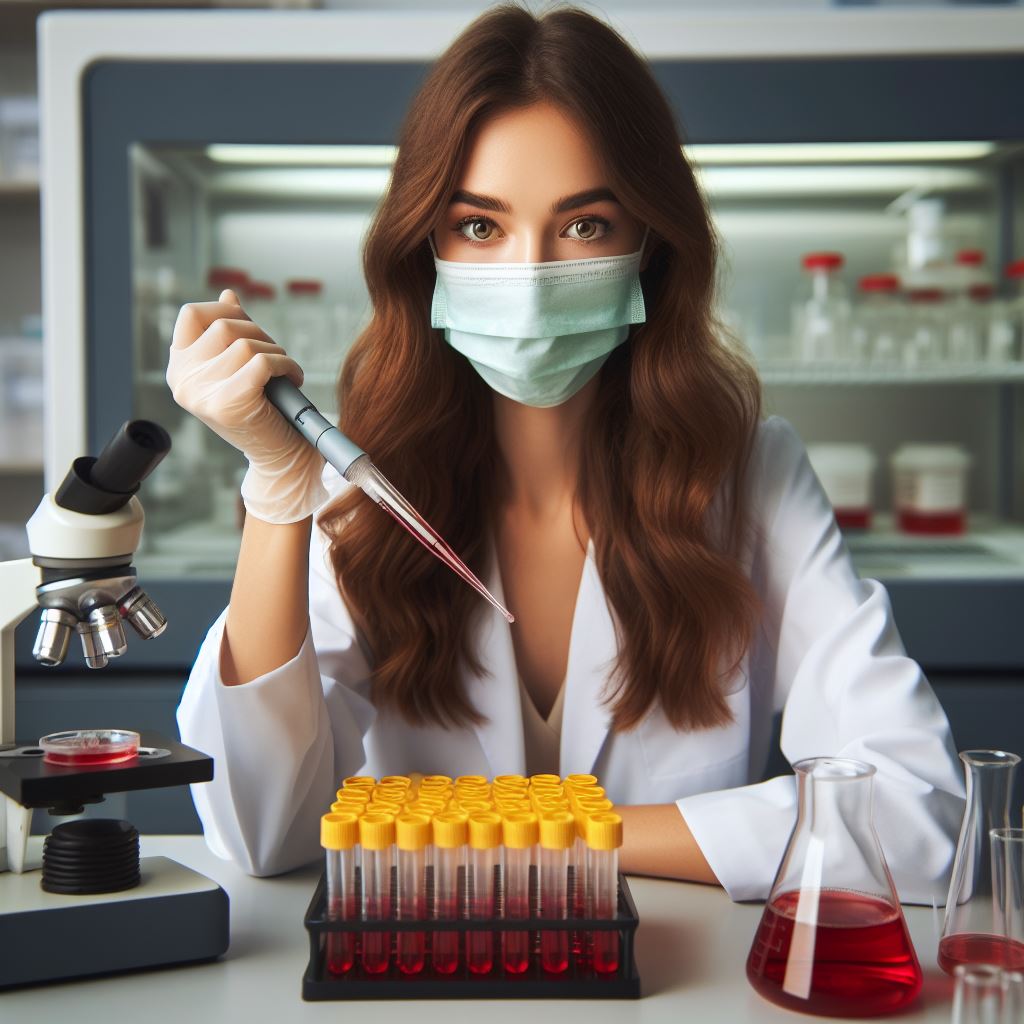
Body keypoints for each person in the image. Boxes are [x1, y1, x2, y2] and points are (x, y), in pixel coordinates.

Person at [170, 4, 963, 901]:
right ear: (424, 247)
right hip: (428, 966)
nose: (530, 279)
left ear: (651, 244)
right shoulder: (361, 488)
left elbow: (918, 815)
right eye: (481, 227)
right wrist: (280, 489)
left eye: (584, 226)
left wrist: (554, 829)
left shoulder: (751, 476)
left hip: (673, 969)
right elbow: (260, 828)